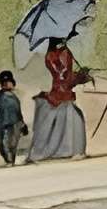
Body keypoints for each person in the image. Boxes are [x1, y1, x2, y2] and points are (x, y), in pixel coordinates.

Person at [25, 34, 91, 163]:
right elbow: (64, 77)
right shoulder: (61, 54)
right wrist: (81, 77)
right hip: (60, 95)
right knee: (74, 119)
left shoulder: (53, 54)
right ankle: (67, 150)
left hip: (59, 93)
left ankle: (65, 150)